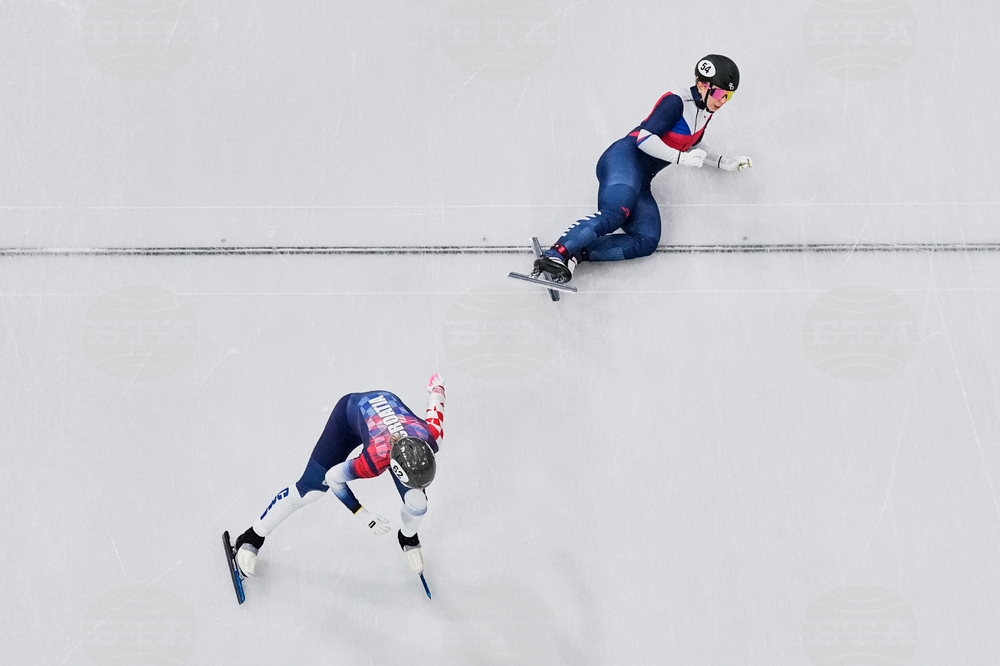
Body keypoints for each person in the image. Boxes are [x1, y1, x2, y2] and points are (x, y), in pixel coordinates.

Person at [534, 54, 753, 283]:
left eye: (729, 96)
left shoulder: (705, 110)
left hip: (641, 179)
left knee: (646, 240)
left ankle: (575, 256)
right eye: (719, 93)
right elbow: (645, 139)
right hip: (623, 159)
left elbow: (693, 143)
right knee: (615, 215)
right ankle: (556, 253)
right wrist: (682, 159)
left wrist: (723, 162)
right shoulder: (676, 102)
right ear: (702, 86)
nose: (723, 101)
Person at [230, 374, 446, 578]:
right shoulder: (373, 460)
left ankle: (408, 537)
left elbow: (436, 401)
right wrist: (363, 515)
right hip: (348, 414)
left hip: (386, 410)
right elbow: (334, 477)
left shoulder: (431, 435)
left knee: (418, 501)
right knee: (309, 490)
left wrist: (436, 387)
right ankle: (251, 537)